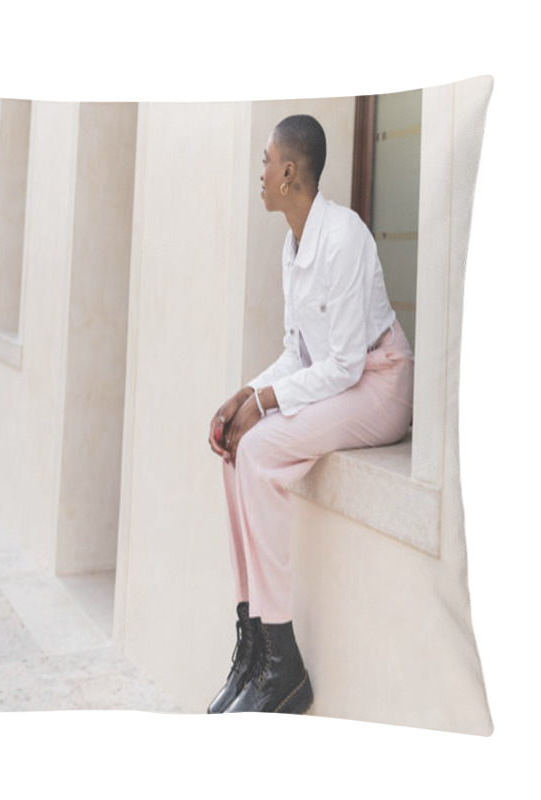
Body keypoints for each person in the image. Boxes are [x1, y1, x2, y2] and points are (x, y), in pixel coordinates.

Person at [206, 114, 414, 714]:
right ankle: (253, 645)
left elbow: (347, 365)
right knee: (234, 446)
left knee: (264, 449)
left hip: (381, 385)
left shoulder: (344, 237)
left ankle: (284, 661)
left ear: (290, 172)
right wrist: (244, 396)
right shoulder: (291, 245)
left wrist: (266, 406)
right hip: (344, 381)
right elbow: (297, 352)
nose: (262, 172)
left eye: (267, 161)